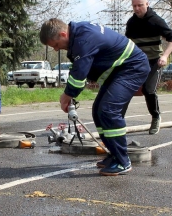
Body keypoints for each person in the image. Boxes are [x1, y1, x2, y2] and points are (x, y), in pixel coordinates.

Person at [39, 18, 150, 176]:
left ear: (63, 34)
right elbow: (78, 68)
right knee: (98, 110)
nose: (56, 50)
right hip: (118, 71)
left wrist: (66, 96)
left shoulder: (83, 39)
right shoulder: (78, 34)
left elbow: (79, 78)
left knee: (109, 110)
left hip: (132, 68)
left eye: (56, 45)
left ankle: (122, 161)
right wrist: (69, 93)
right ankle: (113, 154)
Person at [124, 0, 172, 134]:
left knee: (148, 90)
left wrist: (165, 56)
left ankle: (155, 116)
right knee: (125, 88)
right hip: (136, 62)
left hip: (154, 61)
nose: (137, 8)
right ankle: (118, 120)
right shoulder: (131, 23)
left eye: (140, 5)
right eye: (134, 6)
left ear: (147, 4)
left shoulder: (156, 21)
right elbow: (125, 43)